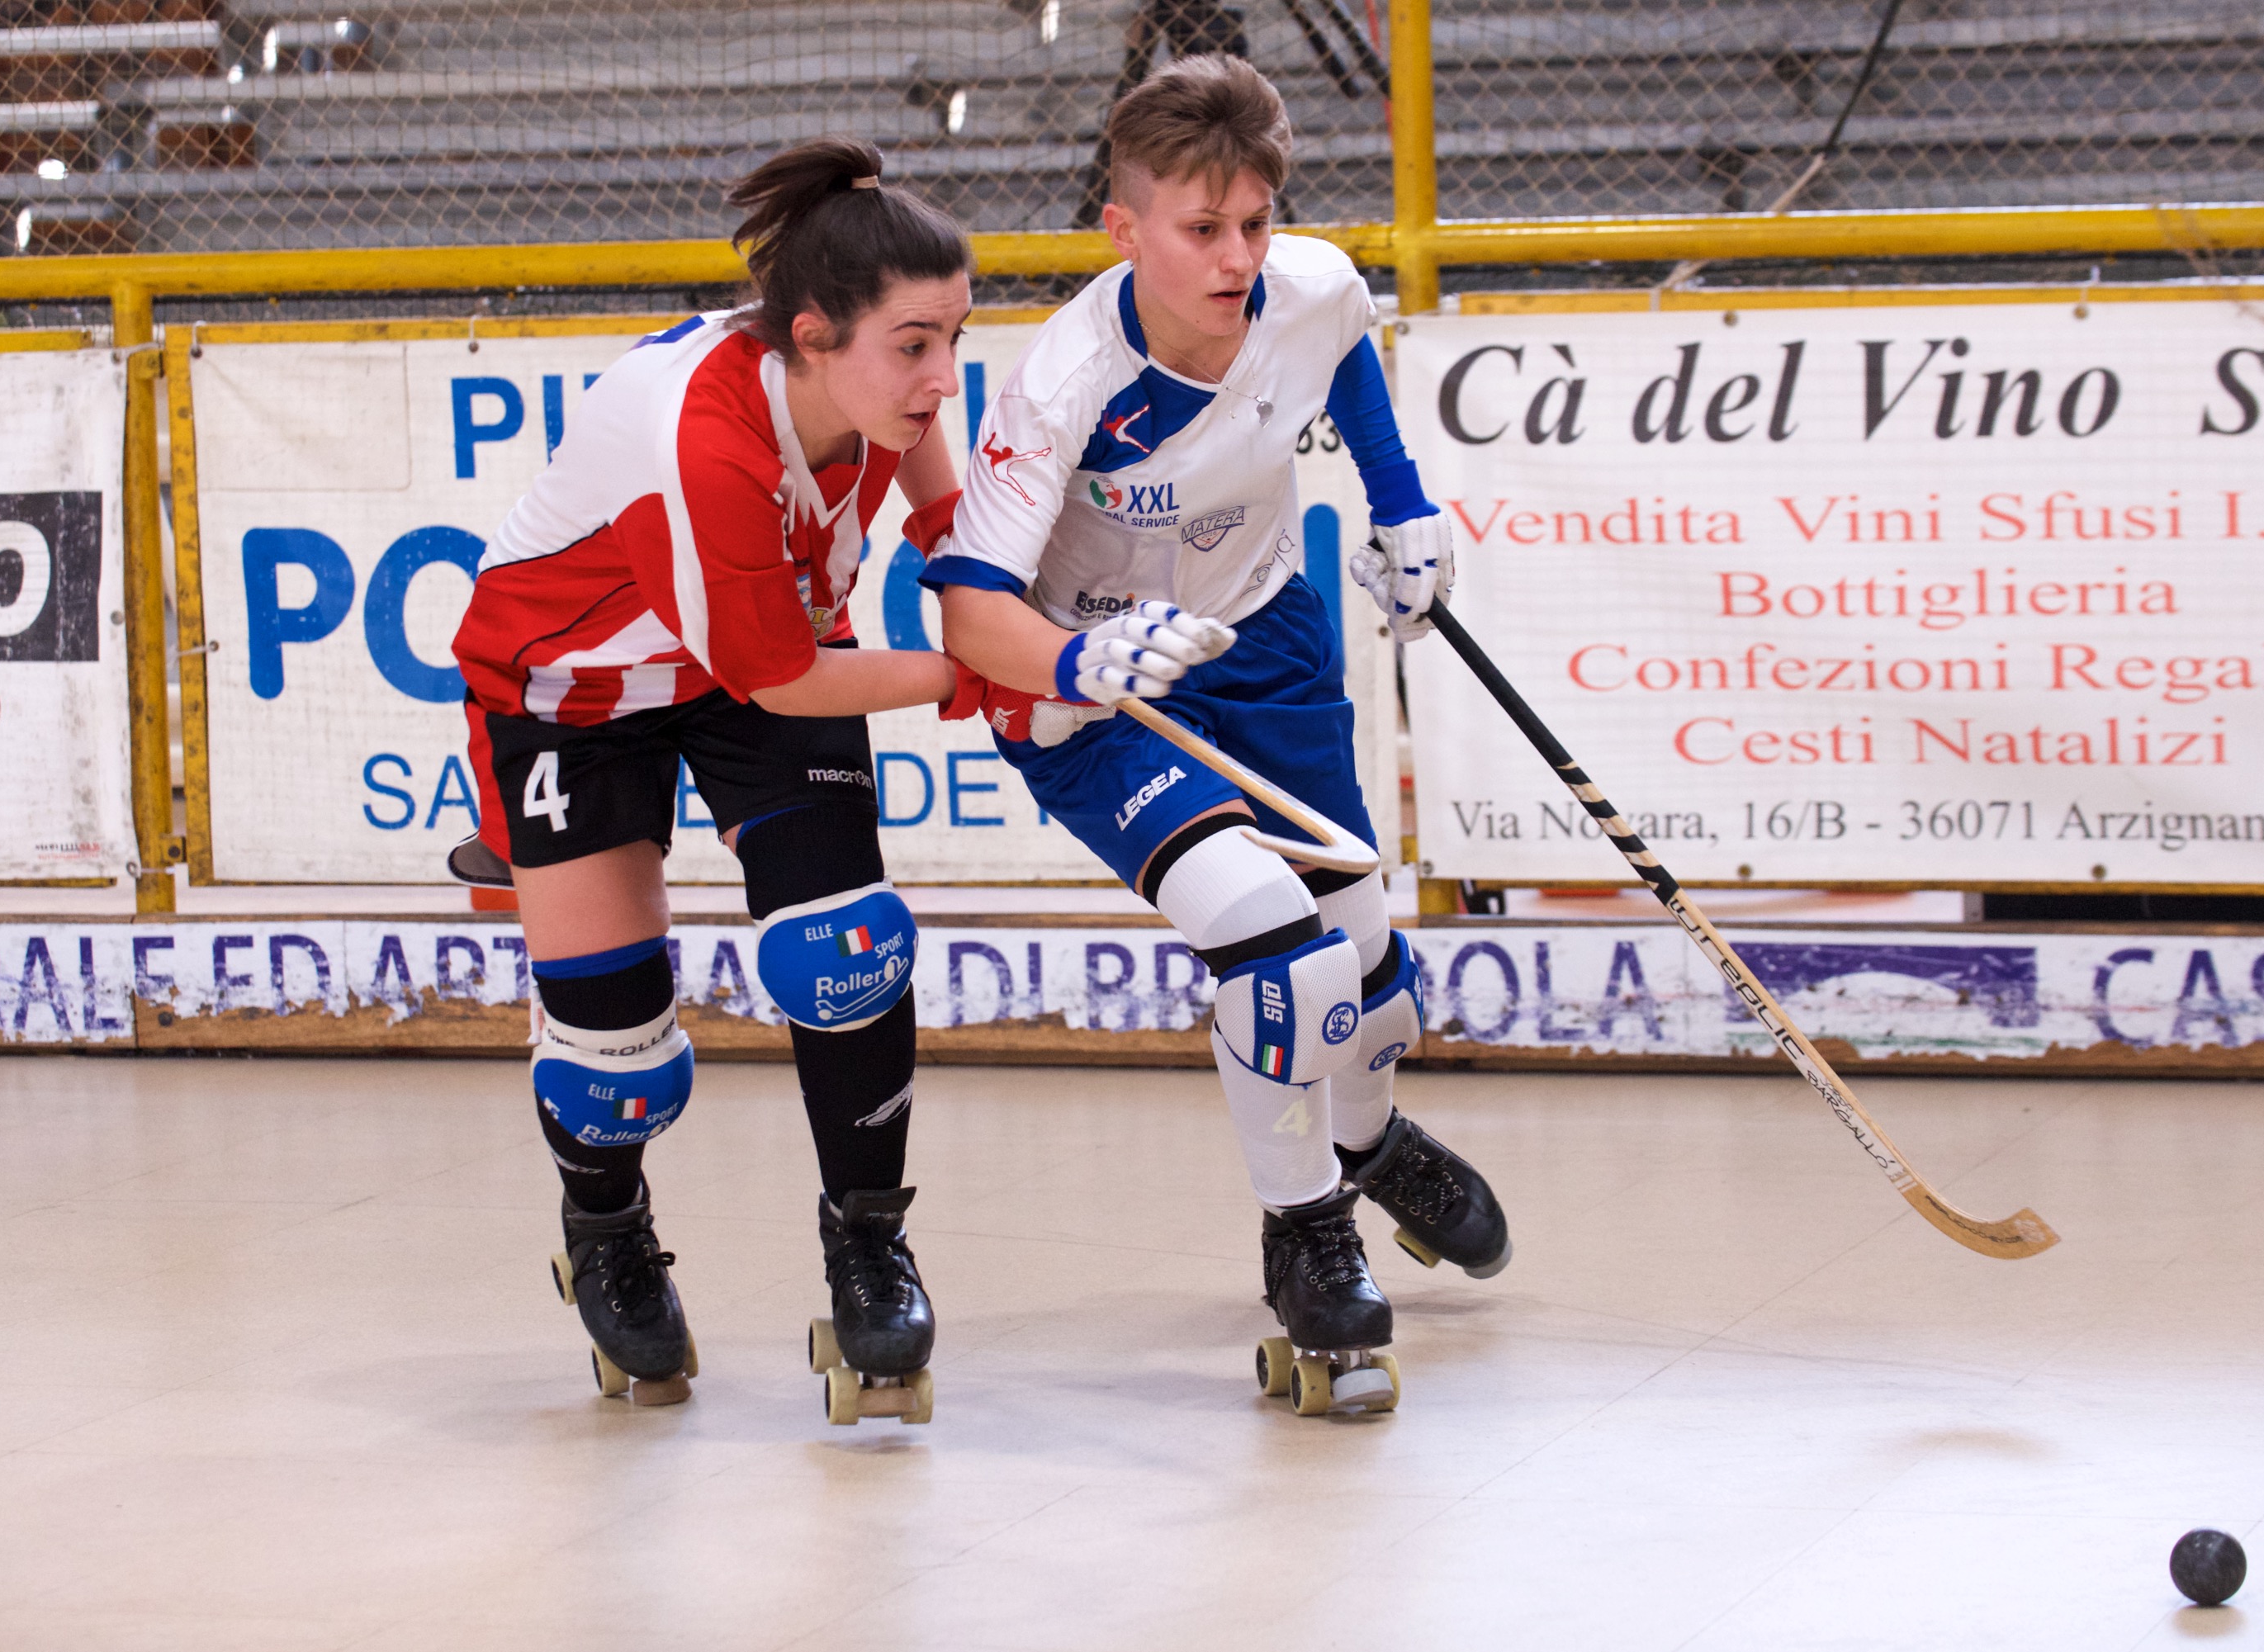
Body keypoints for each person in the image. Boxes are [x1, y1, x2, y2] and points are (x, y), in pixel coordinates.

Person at [912, 54, 1509, 1416]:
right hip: (1099, 691)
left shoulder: (1307, 280)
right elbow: (965, 606)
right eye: (1202, 230)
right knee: (1271, 945)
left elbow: (1342, 344)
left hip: (1264, 639)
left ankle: (1367, 1137)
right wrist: (1079, 658)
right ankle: (1308, 1238)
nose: (1239, 256)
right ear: (1122, 228)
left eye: (1255, 220)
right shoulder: (1065, 378)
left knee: (1368, 976)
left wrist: (1402, 505)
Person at [447, 138, 968, 1413]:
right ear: (812, 335)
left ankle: (868, 1240)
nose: (944, 374)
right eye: (915, 343)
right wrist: (980, 676)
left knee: (846, 942)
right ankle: (606, 1228)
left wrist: (1067, 638)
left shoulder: (890, 401)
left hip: (751, 664)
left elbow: (966, 546)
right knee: (612, 1049)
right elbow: (785, 676)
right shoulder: (706, 439)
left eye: (957, 334)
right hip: (577, 689)